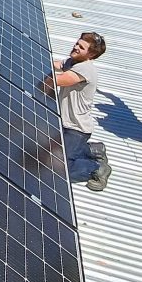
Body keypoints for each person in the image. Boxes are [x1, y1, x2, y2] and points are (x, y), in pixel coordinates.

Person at [42, 31, 111, 191]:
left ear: (91, 54)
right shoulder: (73, 61)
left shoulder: (85, 70)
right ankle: (93, 149)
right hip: (65, 124)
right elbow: (55, 64)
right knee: (45, 152)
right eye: (77, 43)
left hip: (76, 129)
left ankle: (96, 167)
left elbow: (55, 80)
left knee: (58, 169)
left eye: (81, 47)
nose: (76, 47)